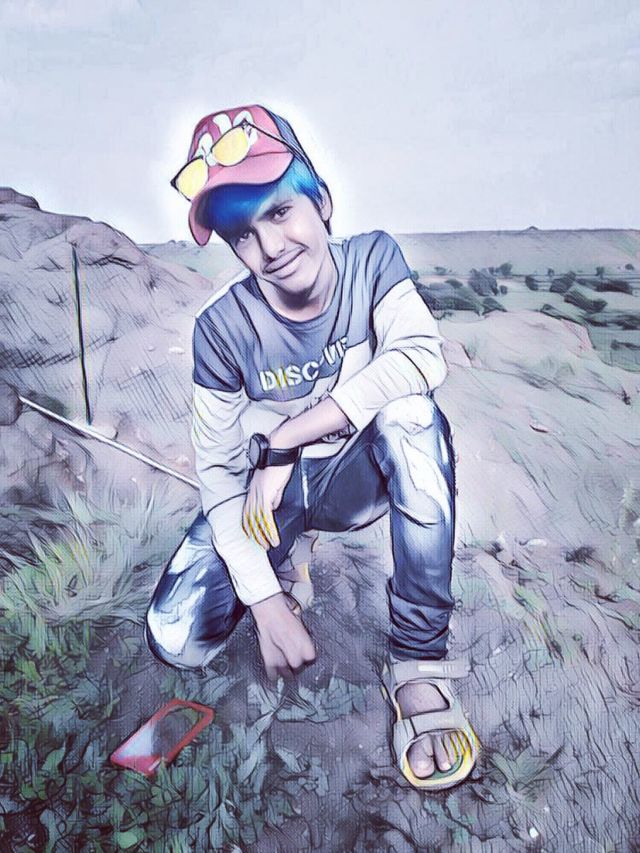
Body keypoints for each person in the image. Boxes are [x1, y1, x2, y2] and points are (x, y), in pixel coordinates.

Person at [145, 104, 479, 790]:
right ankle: (289, 556)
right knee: (177, 637)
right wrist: (266, 601)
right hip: (269, 503)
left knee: (412, 415)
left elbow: (420, 355)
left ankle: (418, 662)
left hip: (356, 477)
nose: (269, 246)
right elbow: (218, 477)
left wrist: (285, 439)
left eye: (278, 211)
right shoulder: (221, 330)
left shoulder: (373, 260)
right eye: (242, 234)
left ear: (321, 202)